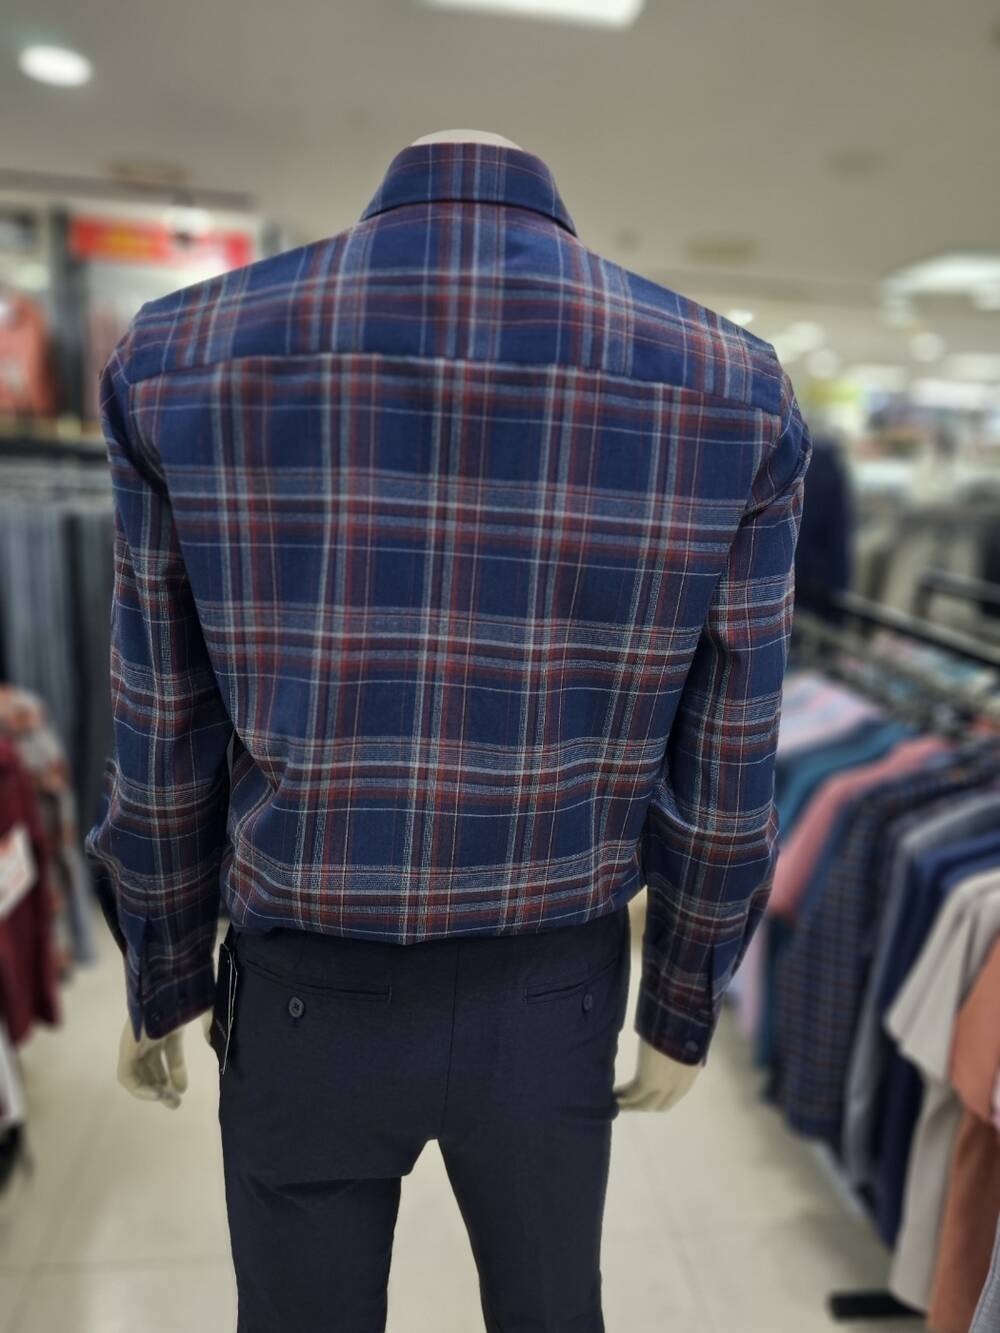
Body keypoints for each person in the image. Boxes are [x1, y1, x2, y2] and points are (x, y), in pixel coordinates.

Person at [86, 129, 811, 1332]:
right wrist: (681, 997)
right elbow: (729, 758)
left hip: (305, 995)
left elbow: (161, 723)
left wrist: (162, 966)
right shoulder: (733, 388)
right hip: (555, 993)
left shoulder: (177, 356)